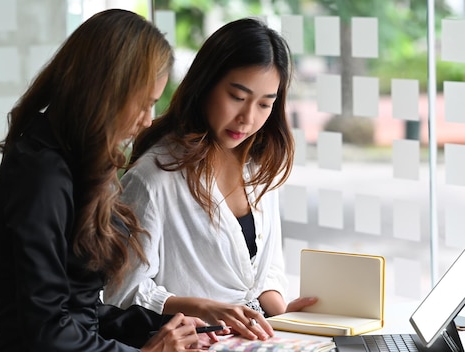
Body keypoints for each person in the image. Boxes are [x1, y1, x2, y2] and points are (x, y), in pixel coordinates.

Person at [0, 9, 220, 351]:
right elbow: (48, 331)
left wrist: (167, 325)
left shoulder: (71, 159)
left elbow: (82, 313)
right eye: (144, 104)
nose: (147, 121)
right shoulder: (41, 176)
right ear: (106, 89)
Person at [103, 17, 317, 340]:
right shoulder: (154, 178)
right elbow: (122, 292)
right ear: (206, 83)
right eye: (237, 96)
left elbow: (266, 271)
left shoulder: (259, 167)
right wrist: (204, 307)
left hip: (259, 341)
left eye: (264, 104)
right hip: (198, 343)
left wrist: (282, 314)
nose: (248, 118)